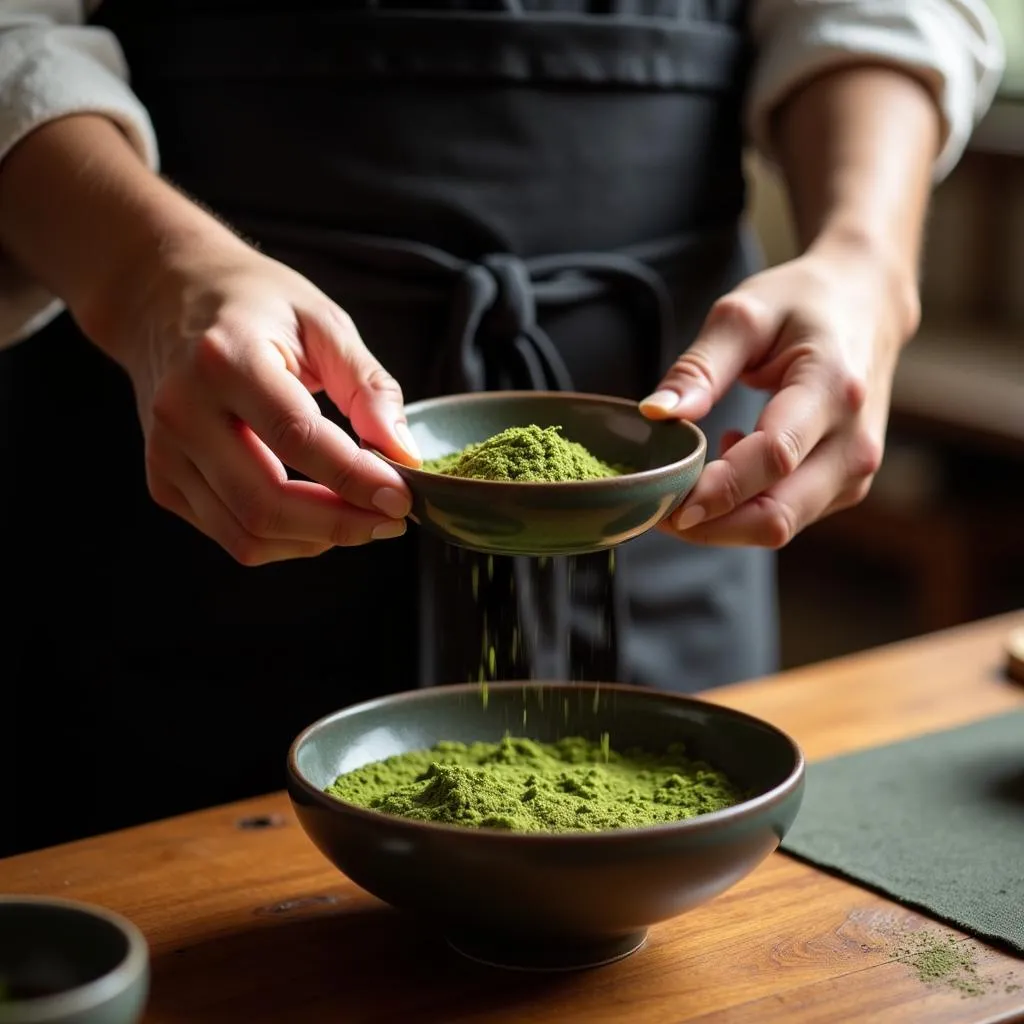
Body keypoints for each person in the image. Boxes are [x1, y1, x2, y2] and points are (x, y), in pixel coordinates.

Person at [0, 1, 1003, 856]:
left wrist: (867, 259)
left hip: (658, 436)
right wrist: (146, 275)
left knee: (675, 857)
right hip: (221, 413)